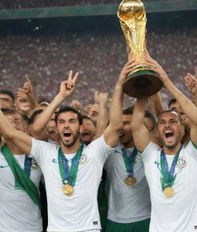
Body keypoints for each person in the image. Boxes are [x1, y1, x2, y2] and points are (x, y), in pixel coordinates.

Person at [0, 64, 134, 232]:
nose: (66, 126)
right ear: (56, 128)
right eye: (61, 122)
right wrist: (61, 96)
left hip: (88, 229)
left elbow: (115, 125)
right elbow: (11, 132)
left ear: (80, 127)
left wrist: (120, 84)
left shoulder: (94, 152)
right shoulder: (44, 152)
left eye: (71, 121)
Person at [131, 51, 197, 232]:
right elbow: (136, 126)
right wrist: (142, 85)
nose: (167, 125)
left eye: (173, 121)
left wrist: (165, 81)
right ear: (158, 131)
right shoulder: (150, 155)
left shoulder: (194, 154)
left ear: (181, 129)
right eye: (162, 122)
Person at [104, 107, 151, 232]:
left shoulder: (149, 151)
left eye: (126, 123)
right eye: (119, 123)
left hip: (145, 219)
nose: (121, 127)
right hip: (115, 220)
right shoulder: (109, 151)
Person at [0, 108, 42, 232]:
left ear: (26, 126)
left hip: (35, 228)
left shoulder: (40, 154)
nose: (13, 124)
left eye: (17, 120)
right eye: (7, 122)